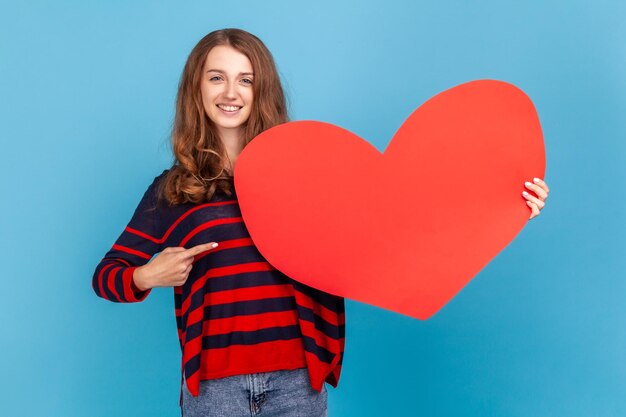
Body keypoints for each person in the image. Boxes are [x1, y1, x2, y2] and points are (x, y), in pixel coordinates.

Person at [92, 28, 550, 417]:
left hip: (298, 381)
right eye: (217, 78)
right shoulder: (174, 189)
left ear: (260, 90)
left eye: (245, 80)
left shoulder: (305, 175)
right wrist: (148, 274)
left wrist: (502, 200)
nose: (230, 93)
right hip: (214, 389)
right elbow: (107, 274)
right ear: (197, 88)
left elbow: (393, 232)